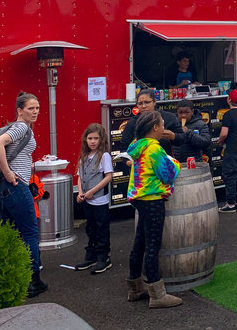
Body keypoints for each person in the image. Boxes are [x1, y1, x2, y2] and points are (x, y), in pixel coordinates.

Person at [0, 92, 48, 298]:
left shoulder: (19, 127)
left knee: (11, 232)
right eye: (31, 108)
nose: (35, 112)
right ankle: (33, 281)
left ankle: (13, 276)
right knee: (30, 233)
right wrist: (8, 173)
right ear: (19, 110)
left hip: (6, 189)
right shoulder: (21, 127)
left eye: (38, 108)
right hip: (16, 186)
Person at [125, 111, 183, 308]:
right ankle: (157, 295)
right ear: (155, 128)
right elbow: (167, 175)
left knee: (140, 242)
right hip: (152, 198)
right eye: (162, 124)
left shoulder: (137, 146)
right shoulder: (154, 149)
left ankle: (134, 288)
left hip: (140, 197)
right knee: (152, 245)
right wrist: (175, 163)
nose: (163, 128)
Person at [75, 123, 114, 274]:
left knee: (101, 229)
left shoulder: (103, 156)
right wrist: (80, 193)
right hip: (87, 200)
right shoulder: (84, 156)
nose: (92, 141)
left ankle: (104, 257)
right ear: (85, 139)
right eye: (89, 138)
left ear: (101, 140)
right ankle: (91, 254)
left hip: (99, 200)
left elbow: (108, 177)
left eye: (95, 138)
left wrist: (92, 191)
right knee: (90, 228)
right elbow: (79, 176)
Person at [119, 89, 185, 156]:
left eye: (147, 102)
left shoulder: (168, 117)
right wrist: (129, 162)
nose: (143, 106)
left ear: (154, 102)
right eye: (140, 104)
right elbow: (123, 148)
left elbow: (182, 139)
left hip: (164, 162)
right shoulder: (133, 122)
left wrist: (173, 136)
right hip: (142, 164)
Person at [218, 89, 237, 212]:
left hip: (232, 149)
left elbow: (224, 133)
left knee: (230, 176)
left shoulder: (228, 115)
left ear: (229, 100)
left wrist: (220, 141)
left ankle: (230, 204)